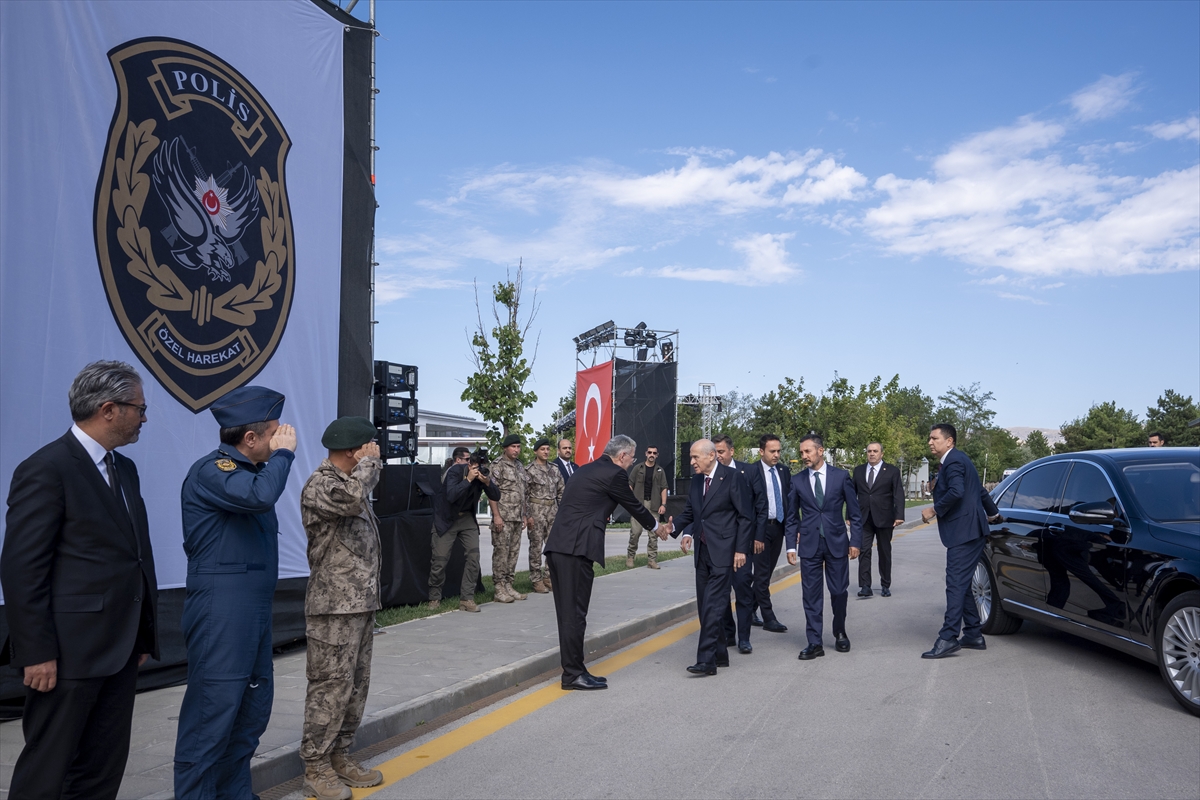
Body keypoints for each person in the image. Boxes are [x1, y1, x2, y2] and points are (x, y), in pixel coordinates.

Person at [1, 361, 158, 800]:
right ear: (109, 409)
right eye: (140, 409)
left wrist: (142, 633)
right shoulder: (47, 468)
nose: (145, 418)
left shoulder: (124, 468)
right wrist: (36, 653)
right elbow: (21, 568)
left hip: (120, 649)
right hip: (66, 655)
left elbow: (132, 555)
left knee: (102, 767)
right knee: (48, 767)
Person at [174, 385, 297, 799]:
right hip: (222, 612)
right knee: (212, 718)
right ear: (250, 439)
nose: (281, 437)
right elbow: (260, 497)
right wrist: (284, 455)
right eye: (274, 433)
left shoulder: (248, 473)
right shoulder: (215, 471)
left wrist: (274, 458)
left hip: (251, 611)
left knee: (249, 714)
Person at [298, 417, 384, 799]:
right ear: (354, 449)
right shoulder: (324, 484)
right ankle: (315, 766)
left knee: (355, 685)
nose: (376, 452)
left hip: (359, 603)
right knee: (330, 687)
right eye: (371, 446)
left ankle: (338, 755)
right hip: (332, 607)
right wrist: (368, 466)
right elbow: (350, 500)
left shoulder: (351, 482)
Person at [543, 434, 670, 690]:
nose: (632, 462)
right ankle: (572, 675)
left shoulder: (587, 469)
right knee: (574, 615)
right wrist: (657, 527)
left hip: (561, 547)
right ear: (622, 456)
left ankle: (575, 670)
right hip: (575, 550)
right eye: (632, 457)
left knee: (570, 614)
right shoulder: (614, 474)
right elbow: (633, 504)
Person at [670, 439, 753, 675]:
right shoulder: (697, 481)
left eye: (695, 457)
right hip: (703, 552)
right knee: (704, 606)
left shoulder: (732, 477)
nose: (692, 462)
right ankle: (720, 654)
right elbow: (691, 512)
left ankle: (706, 661)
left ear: (711, 456)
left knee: (713, 607)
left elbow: (745, 516)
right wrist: (671, 528)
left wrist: (740, 549)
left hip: (725, 551)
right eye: (691, 457)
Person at [920, 423, 1000, 659]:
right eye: (930, 438)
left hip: (964, 532)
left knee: (955, 583)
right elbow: (980, 492)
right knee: (962, 582)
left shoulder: (953, 461)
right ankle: (974, 634)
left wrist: (933, 510)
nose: (930, 442)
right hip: (971, 530)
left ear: (949, 441)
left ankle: (948, 637)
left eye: (934, 438)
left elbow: (957, 491)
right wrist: (993, 514)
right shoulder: (960, 460)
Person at [785, 434, 863, 660]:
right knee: (811, 595)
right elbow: (791, 517)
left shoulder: (840, 477)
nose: (804, 456)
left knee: (839, 591)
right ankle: (814, 642)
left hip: (837, 542)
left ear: (821, 451)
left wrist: (855, 541)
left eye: (807, 451)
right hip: (809, 545)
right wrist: (791, 546)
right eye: (801, 453)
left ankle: (839, 632)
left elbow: (855, 514)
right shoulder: (797, 480)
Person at [428, 447, 497, 611]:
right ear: (469, 463)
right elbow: (451, 495)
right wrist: (468, 480)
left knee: (474, 557)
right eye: (475, 465)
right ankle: (434, 597)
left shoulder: (482, 474)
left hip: (467, 518)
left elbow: (496, 496)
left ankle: (467, 598)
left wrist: (487, 483)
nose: (478, 469)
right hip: (447, 519)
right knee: (440, 559)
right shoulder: (455, 472)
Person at [712, 434, 761, 654]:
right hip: (718, 547)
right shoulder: (711, 474)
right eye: (714, 452)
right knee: (721, 593)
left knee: (742, 589)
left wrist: (752, 541)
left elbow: (757, 507)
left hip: (742, 544)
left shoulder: (748, 472)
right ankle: (729, 633)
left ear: (731, 451)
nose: (717, 456)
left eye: (721, 452)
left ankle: (744, 637)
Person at [744, 434, 791, 634]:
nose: (777, 455)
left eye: (779, 451)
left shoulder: (783, 471)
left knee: (766, 573)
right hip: (759, 531)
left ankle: (750, 609)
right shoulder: (751, 472)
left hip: (778, 527)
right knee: (762, 574)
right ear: (761, 451)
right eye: (772, 451)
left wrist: (791, 530)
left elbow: (788, 502)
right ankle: (769, 617)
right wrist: (755, 534)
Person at [852, 442, 905, 598]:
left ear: (882, 453)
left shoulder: (892, 471)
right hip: (864, 518)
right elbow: (851, 494)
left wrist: (899, 515)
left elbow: (898, 494)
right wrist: (849, 515)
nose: (872, 454)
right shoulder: (859, 471)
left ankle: (885, 584)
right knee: (864, 550)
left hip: (885, 518)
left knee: (884, 552)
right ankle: (865, 586)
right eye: (869, 451)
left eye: (875, 451)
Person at [489, 434, 529, 603]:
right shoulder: (497, 465)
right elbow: (492, 493)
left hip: (517, 517)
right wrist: (496, 516)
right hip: (503, 517)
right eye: (513, 447)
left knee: (513, 553)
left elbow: (523, 492)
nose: (516, 450)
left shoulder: (520, 466)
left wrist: (524, 515)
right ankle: (499, 588)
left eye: (518, 447)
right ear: (505, 448)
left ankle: (508, 585)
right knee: (501, 552)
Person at [525, 438, 563, 593]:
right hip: (536, 510)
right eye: (542, 449)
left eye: (548, 449)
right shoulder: (529, 470)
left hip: (552, 510)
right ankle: (536, 579)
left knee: (553, 546)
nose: (546, 452)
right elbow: (524, 495)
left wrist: (562, 510)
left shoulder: (554, 469)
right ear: (535, 451)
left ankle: (548, 576)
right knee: (536, 547)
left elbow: (561, 490)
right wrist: (528, 515)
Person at [625, 445, 668, 569]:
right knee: (635, 533)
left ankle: (652, 560)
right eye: (650, 452)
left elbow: (664, 488)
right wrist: (630, 501)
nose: (652, 455)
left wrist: (663, 504)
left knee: (654, 535)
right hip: (639, 504)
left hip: (653, 504)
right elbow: (630, 485)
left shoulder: (660, 470)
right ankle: (630, 557)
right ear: (646, 453)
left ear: (657, 455)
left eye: (654, 453)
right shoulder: (638, 468)